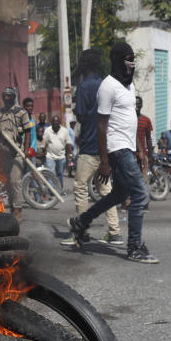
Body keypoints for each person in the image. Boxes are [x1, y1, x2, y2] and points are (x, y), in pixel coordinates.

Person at [67, 42, 158, 263]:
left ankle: (82, 221)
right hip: (117, 149)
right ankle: (134, 246)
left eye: (132, 58)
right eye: (126, 59)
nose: (131, 63)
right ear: (117, 60)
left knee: (118, 194)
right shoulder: (107, 86)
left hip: (128, 147)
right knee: (140, 194)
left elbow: (131, 119)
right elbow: (101, 125)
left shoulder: (129, 85)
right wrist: (105, 162)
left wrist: (139, 149)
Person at [62, 49, 122, 247]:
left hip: (89, 146)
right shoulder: (106, 84)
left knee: (80, 188)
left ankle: (80, 230)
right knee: (107, 190)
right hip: (106, 148)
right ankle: (114, 232)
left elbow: (79, 115)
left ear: (84, 65)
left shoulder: (85, 87)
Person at [0, 87, 33, 222]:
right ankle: (2, 209)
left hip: (17, 152)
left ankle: (17, 210)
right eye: (5, 96)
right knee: (2, 182)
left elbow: (28, 131)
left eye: (9, 96)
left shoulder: (21, 112)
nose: (7, 98)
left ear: (14, 97)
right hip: (3, 152)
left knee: (15, 181)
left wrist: (26, 150)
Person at [40, 114, 72, 193]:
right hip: (50, 156)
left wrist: (70, 154)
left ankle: (59, 189)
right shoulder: (48, 130)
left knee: (60, 174)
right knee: (51, 173)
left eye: (57, 122)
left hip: (61, 156)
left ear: (59, 122)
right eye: (54, 122)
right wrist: (43, 150)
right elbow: (44, 142)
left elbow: (68, 143)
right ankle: (52, 191)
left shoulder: (64, 131)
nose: (55, 123)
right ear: (52, 123)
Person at [135, 96, 154, 172]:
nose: (136, 105)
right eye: (135, 104)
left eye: (138, 104)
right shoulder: (128, 119)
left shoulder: (146, 120)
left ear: (141, 105)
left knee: (144, 179)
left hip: (143, 155)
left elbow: (148, 138)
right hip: (130, 155)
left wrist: (150, 155)